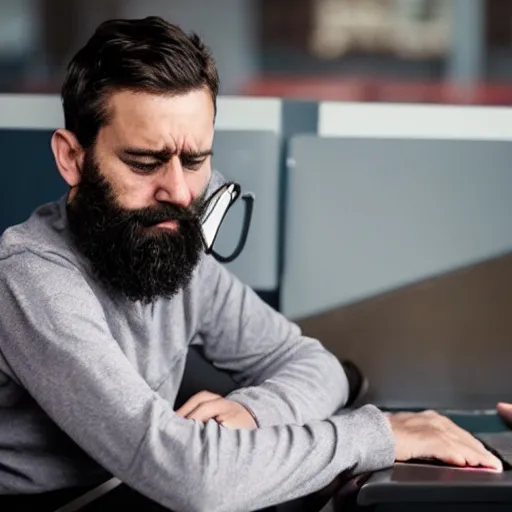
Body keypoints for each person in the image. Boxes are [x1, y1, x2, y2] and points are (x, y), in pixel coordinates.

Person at [0, 16, 502, 512]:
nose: (178, 193)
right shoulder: (30, 278)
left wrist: (253, 411)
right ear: (72, 159)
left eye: (195, 161)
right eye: (144, 162)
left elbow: (315, 365)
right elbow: (192, 478)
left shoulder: (170, 250)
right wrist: (378, 434)